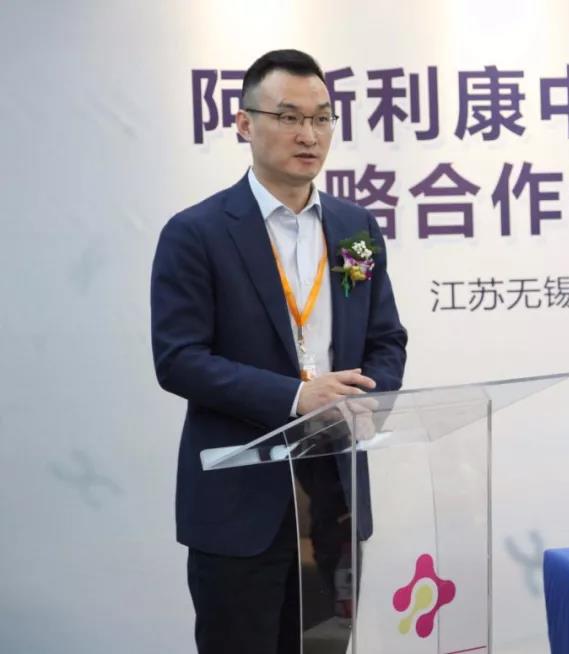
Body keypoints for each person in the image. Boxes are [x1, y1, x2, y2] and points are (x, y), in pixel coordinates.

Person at [150, 49, 407, 654]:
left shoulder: (356, 228)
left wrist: (369, 400)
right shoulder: (197, 232)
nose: (308, 135)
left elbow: (386, 339)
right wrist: (296, 396)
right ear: (244, 124)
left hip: (335, 500)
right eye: (289, 117)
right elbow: (179, 358)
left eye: (321, 118)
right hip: (240, 506)